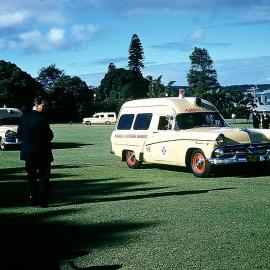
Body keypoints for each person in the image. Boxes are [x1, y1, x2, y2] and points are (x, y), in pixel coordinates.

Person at [17, 96, 54, 207]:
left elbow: (19, 134)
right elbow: (49, 135)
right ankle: (43, 201)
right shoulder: (43, 118)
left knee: (31, 176)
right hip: (42, 151)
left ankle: (33, 198)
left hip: (28, 152)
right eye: (44, 105)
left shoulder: (24, 117)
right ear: (37, 105)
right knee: (44, 176)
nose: (46, 107)